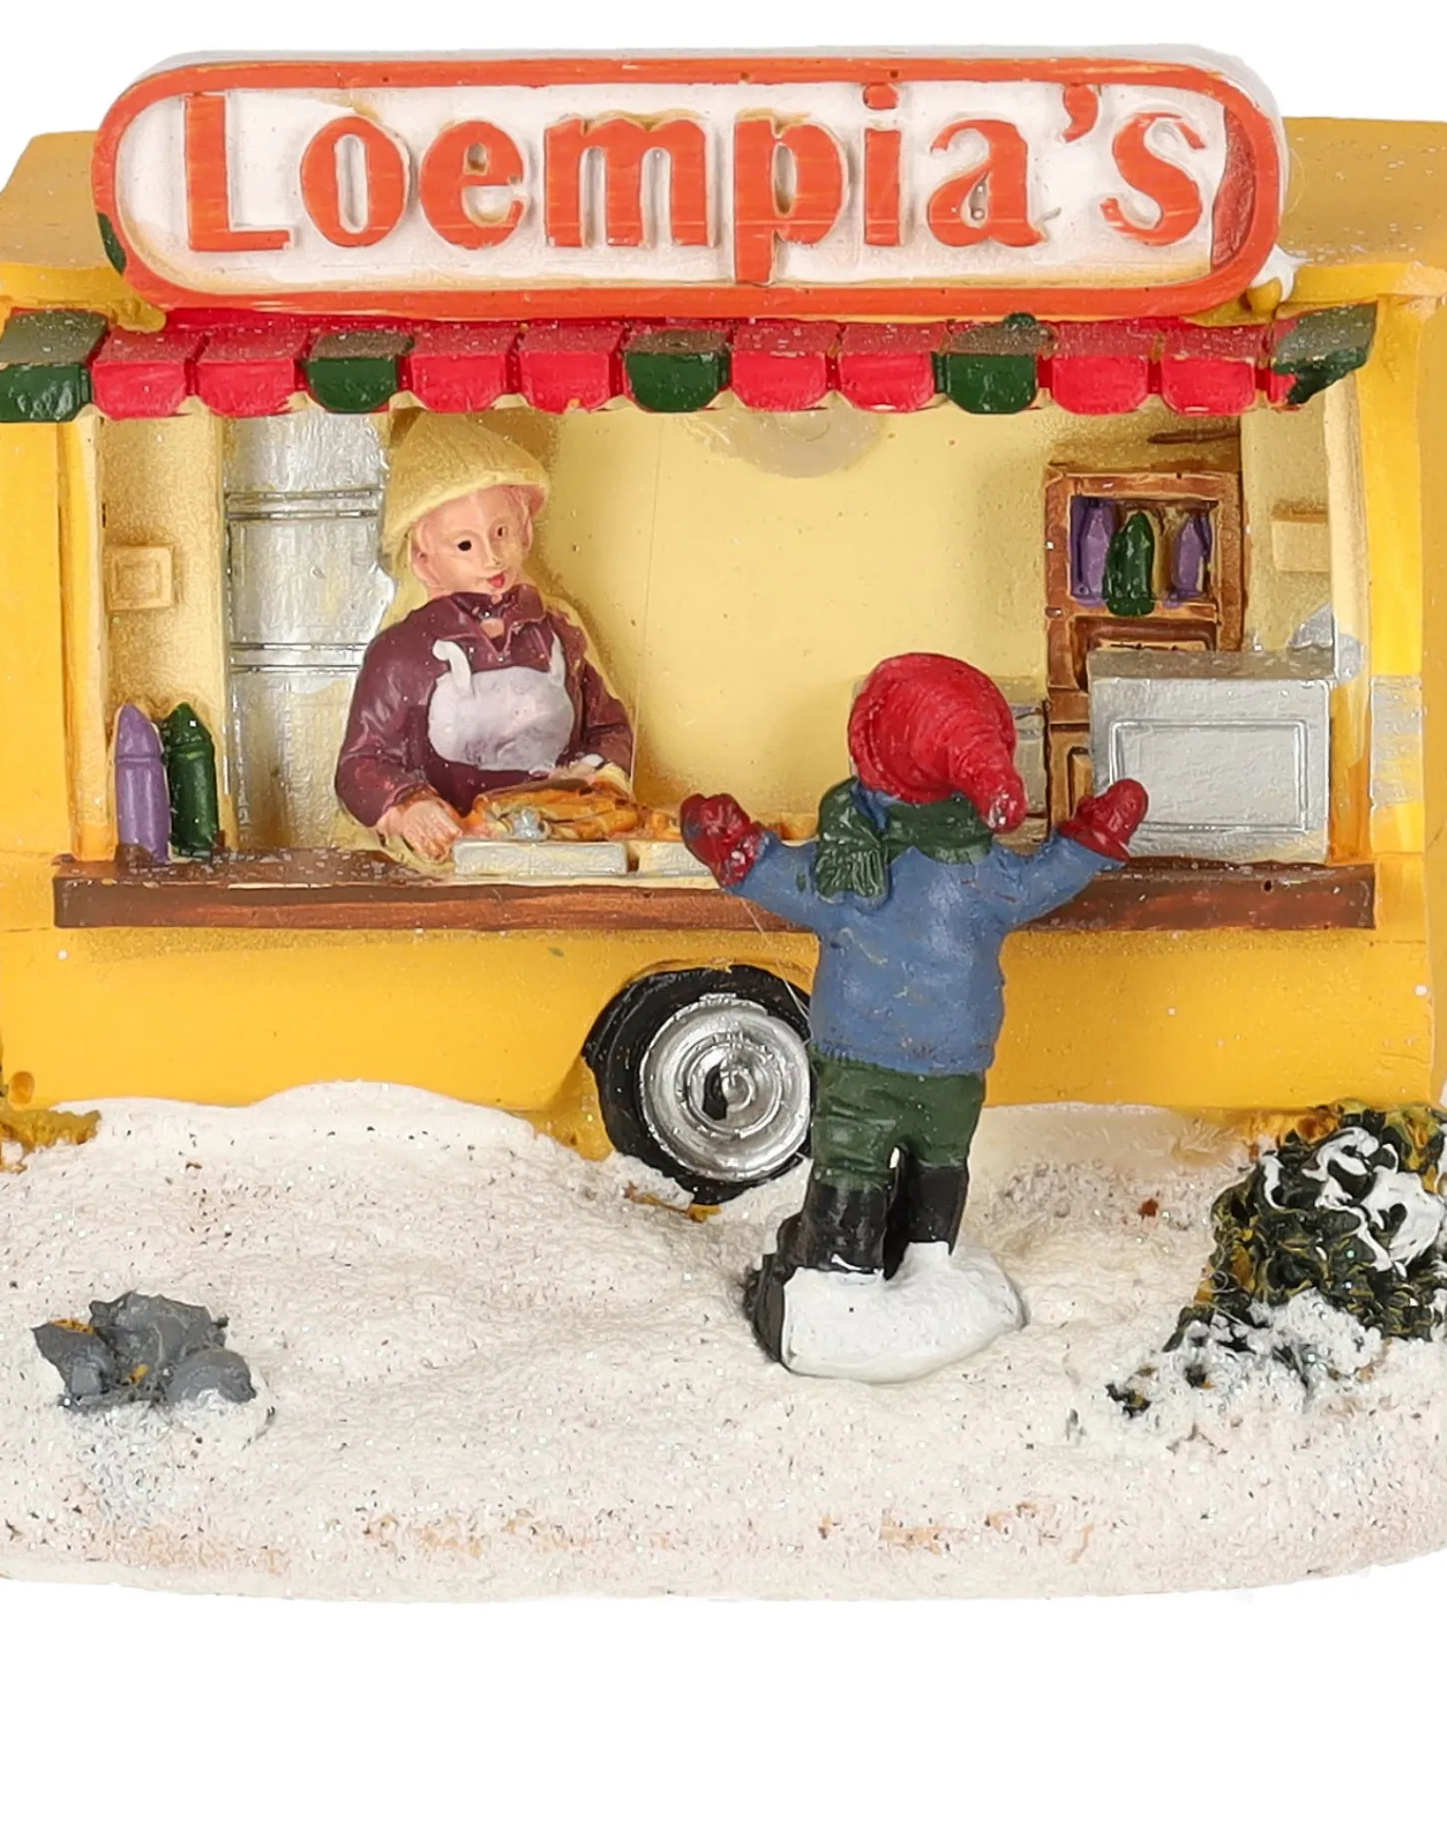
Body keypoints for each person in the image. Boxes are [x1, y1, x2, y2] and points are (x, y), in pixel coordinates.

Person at [681, 651, 1148, 1379]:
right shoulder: (978, 871)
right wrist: (1091, 841)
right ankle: (908, 1257)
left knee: (864, 1159)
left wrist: (738, 850)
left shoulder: (852, 866)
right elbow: (1044, 881)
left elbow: (785, 880)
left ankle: (859, 1262)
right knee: (929, 1160)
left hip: (872, 1057)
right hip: (946, 1060)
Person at [336, 416, 633, 862]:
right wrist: (407, 807)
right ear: (424, 561)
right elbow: (360, 763)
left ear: (525, 532)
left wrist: (596, 777)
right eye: (465, 545)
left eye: (501, 533)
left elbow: (609, 727)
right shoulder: (401, 654)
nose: (491, 558)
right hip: (453, 859)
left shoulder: (558, 632)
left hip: (557, 850)